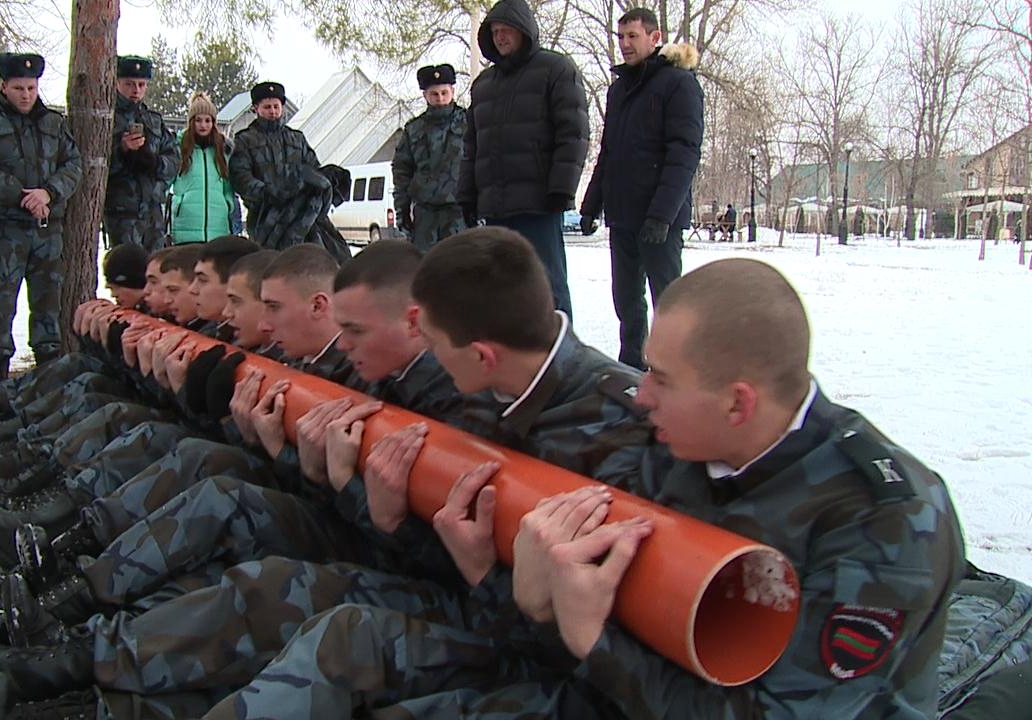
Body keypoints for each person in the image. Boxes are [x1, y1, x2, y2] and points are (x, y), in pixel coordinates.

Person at [158, 257, 965, 720]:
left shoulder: (885, 519)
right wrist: (511, 586)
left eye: (659, 378)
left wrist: (585, 637)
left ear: (739, 403)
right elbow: (561, 614)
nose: (637, 395)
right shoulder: (673, 445)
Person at [578, 7, 704, 370]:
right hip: (623, 215)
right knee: (627, 301)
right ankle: (632, 367)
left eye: (633, 36)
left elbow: (684, 153)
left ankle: (676, 368)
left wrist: (662, 214)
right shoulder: (620, 89)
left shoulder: (679, 84)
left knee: (668, 300)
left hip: (659, 217)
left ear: (655, 38)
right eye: (621, 37)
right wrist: (591, 204)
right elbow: (610, 151)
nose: (625, 45)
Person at [460, 0, 589, 319]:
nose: (501, 37)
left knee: (548, 285)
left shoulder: (555, 69)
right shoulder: (484, 86)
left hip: (538, 204)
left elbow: (573, 132)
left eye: (507, 31)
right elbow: (472, 146)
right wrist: (467, 194)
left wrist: (562, 188)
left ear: (524, 31)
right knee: (501, 288)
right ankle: (511, 357)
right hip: (496, 206)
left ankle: (561, 357)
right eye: (496, 32)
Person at [0, 52, 83, 383]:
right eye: (18, 88)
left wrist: (49, 192)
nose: (26, 94)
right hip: (6, 229)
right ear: (4, 86)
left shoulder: (54, 123)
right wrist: (22, 197)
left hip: (47, 228)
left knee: (47, 302)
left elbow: (73, 165)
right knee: (1, 303)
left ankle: (46, 374)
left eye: (31, 87)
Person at [229, 81, 331, 251]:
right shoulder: (245, 141)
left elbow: (314, 170)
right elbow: (241, 178)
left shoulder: (296, 139)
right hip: (265, 222)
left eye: (276, 106)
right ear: (256, 108)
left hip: (301, 222)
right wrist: (267, 193)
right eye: (267, 107)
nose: (273, 112)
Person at [105, 55, 178, 253]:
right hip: (121, 211)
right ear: (117, 83)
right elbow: (95, 165)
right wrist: (122, 150)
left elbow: (174, 159)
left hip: (153, 210)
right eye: (129, 84)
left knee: (156, 271)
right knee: (128, 271)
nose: (135, 90)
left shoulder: (153, 120)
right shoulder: (106, 119)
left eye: (141, 84)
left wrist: (155, 163)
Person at [391, 64, 467, 250]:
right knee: (426, 271)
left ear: (452, 92)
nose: (440, 99)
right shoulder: (414, 129)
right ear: (425, 95)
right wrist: (402, 212)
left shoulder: (469, 123)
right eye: (434, 94)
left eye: (444, 92)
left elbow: (484, 165)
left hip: (461, 212)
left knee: (463, 270)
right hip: (426, 216)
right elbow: (402, 172)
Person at [169, 92, 239, 244]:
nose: (203, 125)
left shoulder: (223, 150)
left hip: (218, 227)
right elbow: (168, 181)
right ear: (191, 122)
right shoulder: (179, 148)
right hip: (186, 226)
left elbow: (228, 186)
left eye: (208, 120)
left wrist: (228, 204)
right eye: (198, 120)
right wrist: (178, 202)